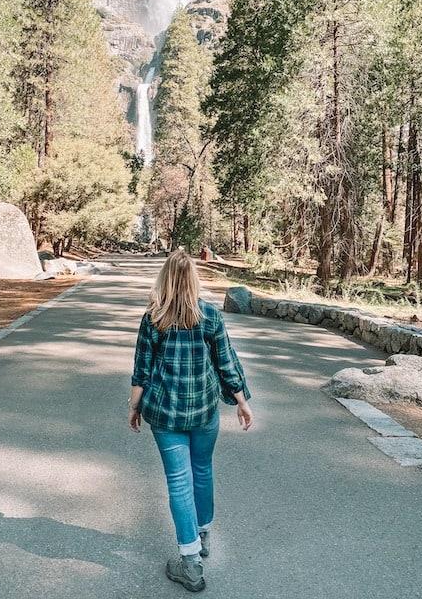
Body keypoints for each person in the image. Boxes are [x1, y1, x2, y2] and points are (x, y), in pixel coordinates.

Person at [128, 248, 253, 592]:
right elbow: (227, 363)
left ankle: (190, 562)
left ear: (165, 279)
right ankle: (202, 535)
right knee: (202, 470)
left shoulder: (153, 317)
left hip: (166, 415)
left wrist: (134, 407)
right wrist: (241, 402)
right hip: (204, 412)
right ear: (194, 280)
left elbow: (142, 370)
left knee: (179, 482)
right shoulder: (210, 317)